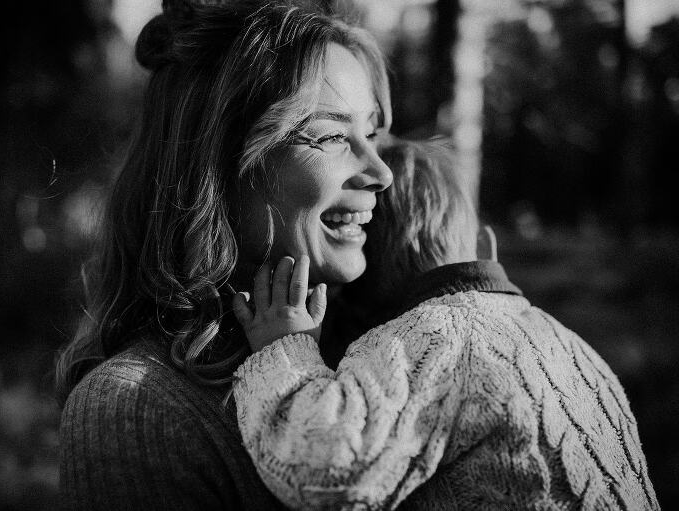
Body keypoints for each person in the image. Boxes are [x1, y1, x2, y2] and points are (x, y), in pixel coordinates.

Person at [55, 1, 397, 509]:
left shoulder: (386, 353)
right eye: (329, 136)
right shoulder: (139, 410)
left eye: (370, 134)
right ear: (218, 166)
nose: (381, 173)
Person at [232, 139, 659, 510]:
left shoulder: (426, 341)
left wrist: (285, 350)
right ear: (485, 246)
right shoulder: (573, 346)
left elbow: (322, 471)